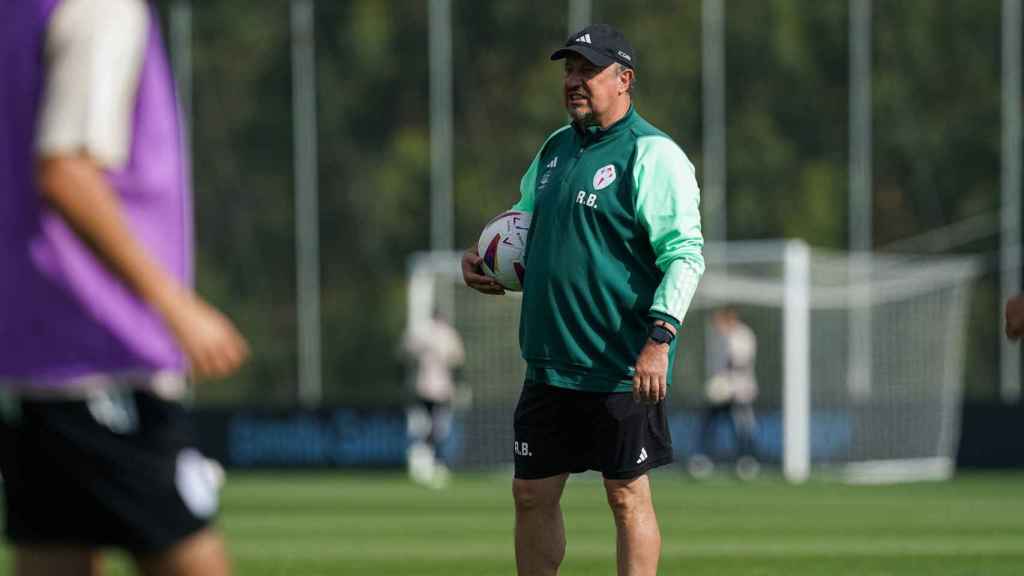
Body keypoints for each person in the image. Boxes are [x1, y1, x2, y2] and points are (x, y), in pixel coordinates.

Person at [0, 1, 250, 575]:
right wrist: (174, 304)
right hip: (99, 348)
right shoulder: (100, 8)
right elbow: (66, 171)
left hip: (27, 353)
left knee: (52, 554)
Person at [462, 24, 705, 576]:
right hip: (549, 361)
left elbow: (685, 255)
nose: (574, 80)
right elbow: (521, 223)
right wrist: (481, 257)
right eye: (569, 69)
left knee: (626, 497)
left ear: (624, 80)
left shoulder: (653, 153)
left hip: (621, 364)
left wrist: (659, 340)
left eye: (588, 70)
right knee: (531, 494)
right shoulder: (555, 147)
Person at [688, 307, 760, 480]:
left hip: (740, 390)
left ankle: (746, 461)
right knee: (709, 424)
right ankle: (702, 459)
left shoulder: (743, 335)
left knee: (742, 427)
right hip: (721, 390)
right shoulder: (717, 336)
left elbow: (739, 361)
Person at [401, 311, 466, 489]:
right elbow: (458, 359)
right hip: (435, 390)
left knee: (433, 428)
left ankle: (428, 461)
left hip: (428, 389)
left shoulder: (425, 332)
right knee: (435, 428)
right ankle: (427, 462)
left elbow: (405, 351)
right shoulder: (443, 333)